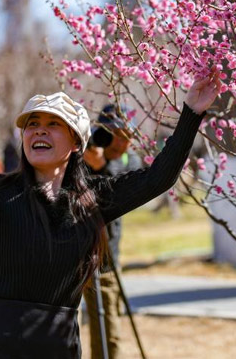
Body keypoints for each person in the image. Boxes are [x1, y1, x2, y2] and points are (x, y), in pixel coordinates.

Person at [0, 73, 220, 358]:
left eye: (53, 123)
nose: (40, 129)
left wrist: (191, 112)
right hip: (0, 343)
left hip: (59, 344)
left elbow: (158, 178)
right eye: (32, 124)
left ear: (76, 142)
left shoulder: (93, 198)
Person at [82, 104, 142, 359]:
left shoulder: (130, 160)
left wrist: (100, 167)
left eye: (128, 135)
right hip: (66, 252)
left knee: (108, 329)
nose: (121, 142)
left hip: (104, 259)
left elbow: (123, 187)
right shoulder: (79, 154)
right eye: (115, 134)